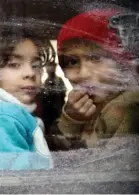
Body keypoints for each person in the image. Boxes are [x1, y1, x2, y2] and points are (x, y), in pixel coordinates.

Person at [0, 28, 54, 171]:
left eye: (36, 66)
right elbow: (17, 183)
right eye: (14, 65)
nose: (30, 73)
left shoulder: (15, 113)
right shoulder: (1, 118)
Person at [56, 8, 139, 149]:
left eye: (96, 57)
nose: (83, 73)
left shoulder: (124, 110)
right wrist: (72, 119)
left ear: (122, 63)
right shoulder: (89, 106)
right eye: (72, 62)